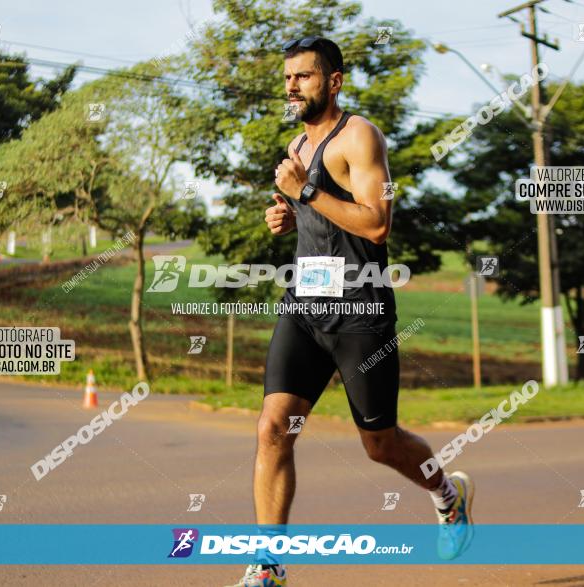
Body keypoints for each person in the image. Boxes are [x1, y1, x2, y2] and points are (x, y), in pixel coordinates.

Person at [226, 37, 474, 587]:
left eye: (304, 77)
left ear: (333, 81)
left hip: (360, 311)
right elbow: (323, 216)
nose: (292, 86)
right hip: (306, 306)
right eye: (287, 77)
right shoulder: (297, 145)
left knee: (379, 444)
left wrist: (305, 191)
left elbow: (377, 223)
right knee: (272, 429)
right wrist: (290, 216)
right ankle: (268, 566)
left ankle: (447, 495)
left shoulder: (360, 136)